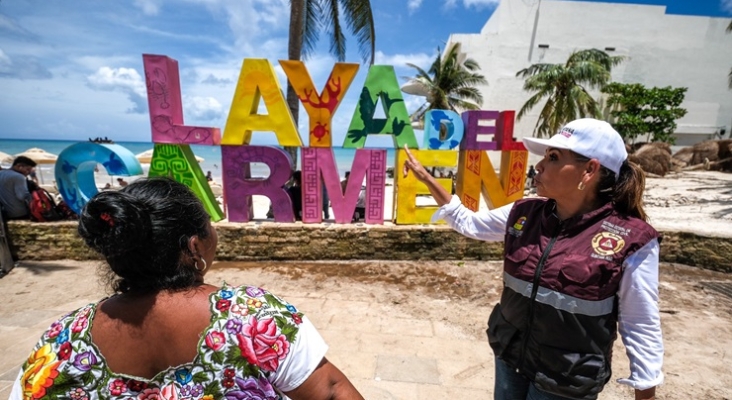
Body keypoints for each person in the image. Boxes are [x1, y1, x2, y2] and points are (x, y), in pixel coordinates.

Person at [10, 177, 363, 400]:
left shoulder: (62, 342)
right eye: (209, 225)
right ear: (195, 247)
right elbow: (331, 392)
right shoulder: (252, 320)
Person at [403, 118, 663, 400]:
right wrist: (426, 178)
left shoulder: (631, 239)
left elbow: (640, 324)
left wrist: (645, 393)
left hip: (565, 379)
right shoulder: (525, 212)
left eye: (553, 158)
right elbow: (468, 223)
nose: (538, 166)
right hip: (511, 358)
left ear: (589, 170)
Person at [0, 156, 37, 221]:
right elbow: (22, 196)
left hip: (3, 213)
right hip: (18, 213)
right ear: (19, 166)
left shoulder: (1, 173)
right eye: (27, 169)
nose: (28, 173)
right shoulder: (19, 177)